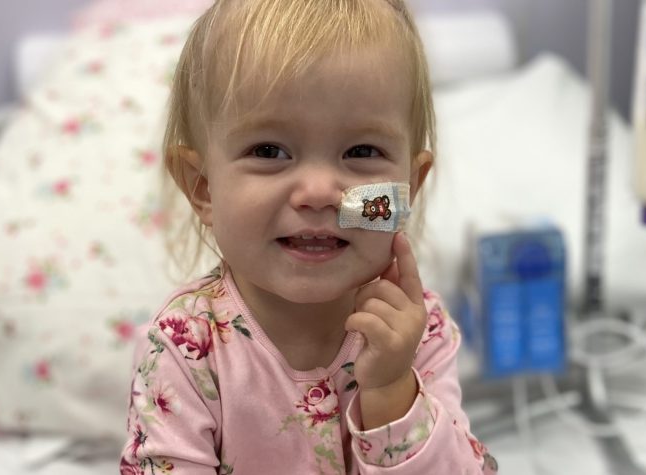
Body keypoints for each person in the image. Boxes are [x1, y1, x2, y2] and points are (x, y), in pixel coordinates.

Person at [121, 0, 498, 473]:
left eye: (361, 150)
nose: (319, 193)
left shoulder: (421, 333)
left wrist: (392, 391)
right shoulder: (183, 349)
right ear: (203, 188)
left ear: (408, 190)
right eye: (269, 150)